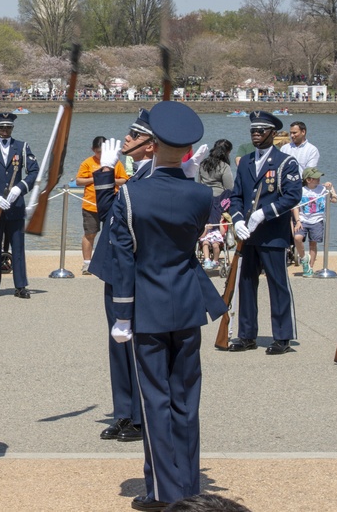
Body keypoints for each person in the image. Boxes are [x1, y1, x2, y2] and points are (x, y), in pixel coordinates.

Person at [108, 101, 227, 510]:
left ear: (153, 145)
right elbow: (188, 245)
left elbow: (124, 258)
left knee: (155, 401)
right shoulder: (200, 194)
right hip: (187, 303)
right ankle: (189, 486)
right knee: (186, 401)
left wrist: (122, 313)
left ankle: (163, 491)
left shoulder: (131, 195)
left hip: (148, 307)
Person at [87, 110, 158, 445]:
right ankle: (124, 412)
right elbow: (108, 214)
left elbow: (112, 214)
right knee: (118, 344)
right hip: (115, 267)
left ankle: (141, 416)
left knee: (138, 343)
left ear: (150, 146)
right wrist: (105, 170)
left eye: (134, 135)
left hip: (134, 270)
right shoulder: (136, 175)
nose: (126, 138)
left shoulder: (152, 177)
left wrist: (104, 171)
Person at [226, 111, 302, 356]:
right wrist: (237, 219)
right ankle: (247, 334)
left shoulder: (285, 162)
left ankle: (282, 336)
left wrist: (264, 213)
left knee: (277, 284)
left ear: (273, 134)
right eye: (253, 131)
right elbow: (236, 195)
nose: (256, 135)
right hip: (248, 234)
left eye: (261, 131)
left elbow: (292, 196)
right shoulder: (246, 161)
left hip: (272, 233)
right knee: (246, 283)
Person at [0, 112, 38, 298]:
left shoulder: (22, 147)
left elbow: (34, 171)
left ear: (12, 128)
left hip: (15, 206)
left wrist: (20, 187)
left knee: (18, 246)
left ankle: (20, 285)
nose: (5, 130)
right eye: (1, 127)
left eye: (8, 127)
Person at [291, 167, 337, 277]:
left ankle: (310, 267)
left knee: (313, 243)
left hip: (317, 220)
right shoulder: (301, 190)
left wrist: (331, 189)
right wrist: (297, 221)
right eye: (316, 178)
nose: (318, 179)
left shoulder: (322, 189)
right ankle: (303, 258)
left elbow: (335, 200)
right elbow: (295, 207)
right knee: (297, 238)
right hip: (303, 219)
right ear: (308, 180)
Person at [197, 140, 234, 270]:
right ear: (227, 152)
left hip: (203, 199)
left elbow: (199, 182)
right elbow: (229, 187)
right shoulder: (224, 166)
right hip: (219, 201)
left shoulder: (203, 164)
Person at [75, 136, 106, 274]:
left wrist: (109, 178)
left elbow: (123, 180)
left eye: (103, 151)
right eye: (98, 151)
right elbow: (79, 181)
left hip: (109, 204)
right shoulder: (87, 163)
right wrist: (96, 178)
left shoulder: (114, 163)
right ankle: (87, 263)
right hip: (90, 204)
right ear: (93, 150)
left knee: (110, 235)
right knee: (90, 234)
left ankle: (107, 262)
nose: (101, 154)